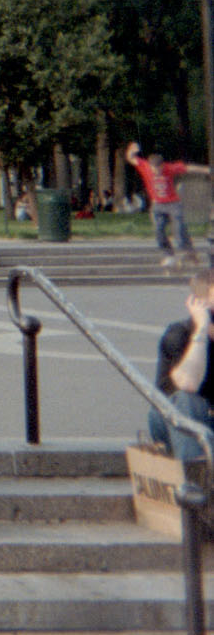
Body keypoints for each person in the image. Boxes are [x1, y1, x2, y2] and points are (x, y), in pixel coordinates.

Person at [146, 270, 214, 465]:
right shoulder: (179, 334)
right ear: (200, 304)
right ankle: (196, 482)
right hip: (173, 420)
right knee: (187, 399)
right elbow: (188, 384)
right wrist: (201, 330)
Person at [125, 142, 207, 267]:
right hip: (157, 205)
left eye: (158, 169)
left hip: (174, 204)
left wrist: (207, 170)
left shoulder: (170, 168)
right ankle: (169, 254)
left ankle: (188, 251)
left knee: (179, 229)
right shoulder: (145, 166)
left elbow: (189, 168)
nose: (156, 172)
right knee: (159, 230)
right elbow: (130, 158)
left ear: (162, 165)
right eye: (154, 170)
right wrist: (132, 150)